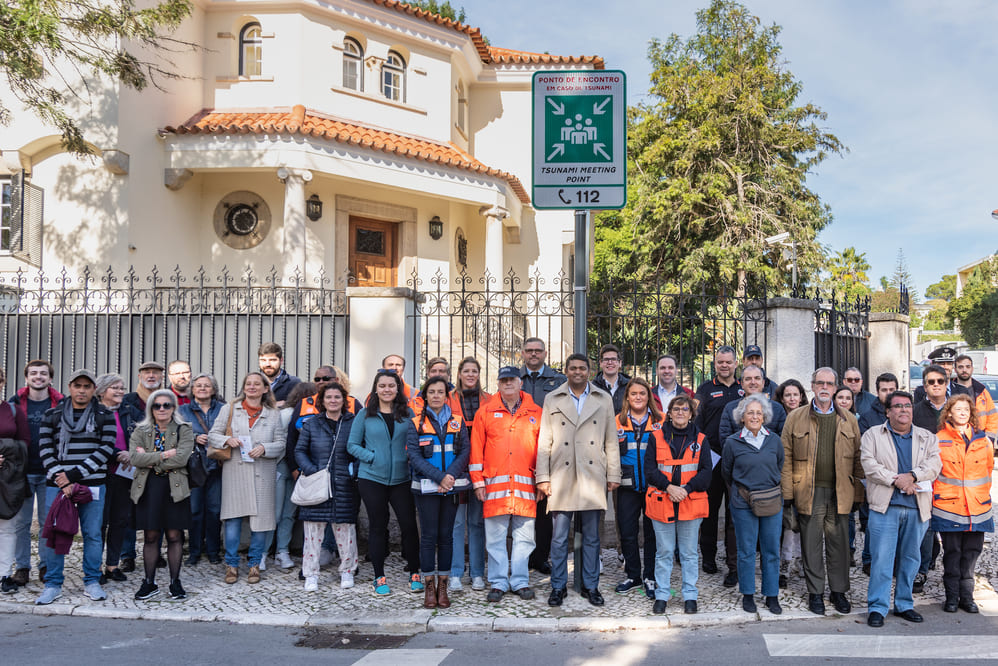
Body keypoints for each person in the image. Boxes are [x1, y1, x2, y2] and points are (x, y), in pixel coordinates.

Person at [537, 353, 621, 607]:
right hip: (561, 476)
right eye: (572, 368)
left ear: (588, 371)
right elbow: (544, 441)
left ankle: (590, 585)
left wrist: (613, 473)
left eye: (582, 368)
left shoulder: (603, 398)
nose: (577, 372)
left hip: (592, 475)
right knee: (560, 537)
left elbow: (611, 440)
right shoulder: (552, 399)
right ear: (565, 371)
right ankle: (558, 586)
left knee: (592, 538)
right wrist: (542, 477)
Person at [781, 367, 864, 616]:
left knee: (839, 546)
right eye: (820, 383)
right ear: (813, 386)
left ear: (836, 388)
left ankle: (838, 592)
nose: (825, 388)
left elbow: (858, 458)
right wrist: (787, 495)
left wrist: (858, 493)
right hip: (808, 490)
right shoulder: (795, 417)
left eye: (829, 383)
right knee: (811, 544)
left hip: (841, 492)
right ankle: (815, 592)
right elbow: (785, 457)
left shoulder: (849, 419)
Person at [35, 369, 117, 605]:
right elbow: (45, 449)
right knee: (55, 533)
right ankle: (52, 584)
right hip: (57, 485)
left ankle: (92, 580)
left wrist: (72, 476)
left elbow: (104, 451)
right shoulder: (52, 414)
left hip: (92, 485)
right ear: (69, 387)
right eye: (77, 385)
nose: (82, 390)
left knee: (92, 534)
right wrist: (62, 478)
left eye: (87, 386)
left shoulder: (104, 415)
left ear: (94, 390)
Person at [860, 390, 941, 627]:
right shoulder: (873, 435)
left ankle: (904, 604)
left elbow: (934, 464)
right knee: (882, 560)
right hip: (885, 508)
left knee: (910, 560)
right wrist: (896, 480)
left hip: (917, 509)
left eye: (907, 406)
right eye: (897, 406)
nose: (903, 410)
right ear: (888, 411)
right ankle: (877, 606)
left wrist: (913, 476)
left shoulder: (927, 437)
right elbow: (869, 464)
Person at [470, 366, 542, 604]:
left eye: (512, 379)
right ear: (498, 384)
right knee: (495, 538)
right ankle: (499, 582)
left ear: (521, 383)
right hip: (495, 488)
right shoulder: (485, 412)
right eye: (504, 380)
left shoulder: (537, 412)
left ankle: (520, 581)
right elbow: (476, 450)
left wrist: (542, 481)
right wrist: (478, 482)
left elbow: (544, 450)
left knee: (525, 538)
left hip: (526, 488)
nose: (508, 383)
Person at [347, 369, 422, 596]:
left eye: (391, 385)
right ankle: (379, 577)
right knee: (378, 527)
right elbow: (352, 445)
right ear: (376, 389)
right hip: (372, 478)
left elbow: (418, 441)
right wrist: (372, 457)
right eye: (382, 386)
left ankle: (415, 573)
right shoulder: (365, 415)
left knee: (409, 526)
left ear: (398, 388)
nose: (387, 389)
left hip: (402, 479)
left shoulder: (407, 413)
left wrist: (411, 457)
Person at [209, 372, 286, 585]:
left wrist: (264, 448)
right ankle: (231, 565)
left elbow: (281, 443)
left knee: (260, 523)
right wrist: (228, 440)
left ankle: (254, 564)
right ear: (243, 388)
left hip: (263, 473)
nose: (252, 387)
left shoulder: (272, 414)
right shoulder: (230, 409)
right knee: (233, 519)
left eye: (257, 384)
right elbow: (213, 434)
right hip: (236, 471)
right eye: (248, 384)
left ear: (265, 389)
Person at [644, 394, 711, 615]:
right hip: (663, 501)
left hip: (689, 503)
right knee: (663, 552)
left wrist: (686, 489)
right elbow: (650, 470)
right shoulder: (656, 437)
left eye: (685, 409)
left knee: (689, 553)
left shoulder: (701, 439)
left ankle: (690, 595)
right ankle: (662, 594)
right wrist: (669, 487)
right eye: (676, 409)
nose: (680, 412)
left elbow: (706, 473)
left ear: (691, 414)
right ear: (669, 413)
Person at [407, 376, 470, 608]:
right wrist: (439, 477)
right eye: (431, 392)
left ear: (446, 396)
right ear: (425, 396)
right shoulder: (415, 423)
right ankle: (429, 587)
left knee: (446, 537)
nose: (435, 395)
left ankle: (443, 585)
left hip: (451, 487)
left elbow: (465, 452)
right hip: (426, 489)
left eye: (440, 392)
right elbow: (413, 456)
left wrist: (450, 476)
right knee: (429, 537)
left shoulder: (457, 421)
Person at [721, 393, 784, 615]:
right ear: (742, 416)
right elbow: (727, 473)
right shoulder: (732, 442)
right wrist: (742, 492)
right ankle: (748, 594)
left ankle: (771, 595)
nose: (755, 416)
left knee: (771, 550)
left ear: (764, 415)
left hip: (771, 502)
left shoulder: (774, 440)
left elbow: (779, 466)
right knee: (746, 550)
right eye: (750, 412)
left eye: (758, 412)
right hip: (743, 503)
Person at [129, 389, 194, 600]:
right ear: (151, 409)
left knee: (175, 536)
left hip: (175, 487)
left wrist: (149, 458)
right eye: (157, 406)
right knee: (151, 536)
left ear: (174, 407)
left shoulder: (185, 429)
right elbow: (134, 459)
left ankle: (175, 582)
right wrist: (165, 454)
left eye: (167, 405)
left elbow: (182, 458)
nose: (162, 409)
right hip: (149, 488)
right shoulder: (140, 430)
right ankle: (149, 582)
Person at [932, 394, 993, 613]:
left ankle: (967, 598)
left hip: (977, 507)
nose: (962, 412)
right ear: (948, 412)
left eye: (966, 409)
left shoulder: (982, 439)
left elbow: (987, 471)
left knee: (971, 555)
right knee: (952, 553)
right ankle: (951, 598)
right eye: (958, 409)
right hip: (949, 508)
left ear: (971, 413)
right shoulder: (938, 439)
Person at [295, 382, 358, 592]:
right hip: (317, 483)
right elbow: (300, 451)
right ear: (322, 401)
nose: (333, 401)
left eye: (337, 397)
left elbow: (361, 447)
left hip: (344, 484)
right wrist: (312, 470)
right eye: (329, 397)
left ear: (344, 400)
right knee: (312, 533)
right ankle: (310, 573)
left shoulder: (353, 422)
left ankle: (347, 570)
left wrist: (353, 470)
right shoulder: (312, 423)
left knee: (345, 530)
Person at [11, 359, 63, 588]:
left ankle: (45, 565)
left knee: (47, 522)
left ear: (50, 378)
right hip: (22, 471)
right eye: (34, 373)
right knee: (21, 523)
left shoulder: (60, 404)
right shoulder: (15, 403)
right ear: (27, 377)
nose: (38, 377)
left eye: (43, 373)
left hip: (50, 473)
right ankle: (22, 567)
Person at [694, 345, 743, 585]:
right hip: (711, 458)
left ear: (736, 363)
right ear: (715, 364)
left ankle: (732, 560)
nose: (724, 366)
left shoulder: (744, 389)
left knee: (734, 513)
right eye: (720, 362)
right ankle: (709, 556)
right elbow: (697, 425)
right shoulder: (704, 390)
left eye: (728, 362)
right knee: (709, 511)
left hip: (738, 460)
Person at [519, 336, 565, 575]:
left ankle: (541, 557)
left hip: (550, 450)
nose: (533, 354)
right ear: (523, 353)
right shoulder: (514, 378)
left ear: (545, 354)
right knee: (522, 508)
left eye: (538, 351)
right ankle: (522, 556)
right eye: (529, 351)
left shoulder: (559, 380)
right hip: (519, 450)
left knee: (545, 508)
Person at [613, 377, 662, 598]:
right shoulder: (617, 421)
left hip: (654, 486)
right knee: (628, 532)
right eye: (634, 394)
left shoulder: (661, 420)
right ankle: (633, 575)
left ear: (648, 396)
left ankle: (650, 576)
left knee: (652, 534)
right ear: (627, 397)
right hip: (626, 486)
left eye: (642, 393)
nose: (638, 397)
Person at [264, 381, 315, 572]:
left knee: (289, 513)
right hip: (280, 467)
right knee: (275, 513)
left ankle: (282, 551)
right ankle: (262, 552)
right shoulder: (286, 415)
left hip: (299, 470)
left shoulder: (312, 416)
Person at [450, 356, 490, 592]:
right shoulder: (449, 398)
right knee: (456, 523)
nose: (471, 375)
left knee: (476, 522)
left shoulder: (490, 400)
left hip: (481, 467)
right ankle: (455, 572)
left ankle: (477, 573)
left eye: (474, 371)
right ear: (459, 373)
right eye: (466, 371)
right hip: (455, 466)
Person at [855, 372, 899, 577]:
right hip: (877, 478)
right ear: (877, 391)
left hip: (901, 477)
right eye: (884, 390)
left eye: (892, 389)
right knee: (875, 522)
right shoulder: (868, 417)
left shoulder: (905, 412)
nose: (888, 393)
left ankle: (893, 559)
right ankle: (869, 559)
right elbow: (866, 449)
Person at [178, 374, 224, 566]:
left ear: (214, 390)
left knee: (214, 511)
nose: (203, 388)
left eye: (207, 386)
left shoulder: (223, 409)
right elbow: (176, 432)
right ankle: (194, 551)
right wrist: (195, 436)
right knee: (195, 511)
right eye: (199, 386)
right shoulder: (183, 410)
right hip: (194, 467)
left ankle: (213, 550)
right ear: (192, 389)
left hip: (218, 466)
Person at [95, 373, 135, 585]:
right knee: (99, 523)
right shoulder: (94, 412)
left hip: (124, 473)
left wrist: (132, 453)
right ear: (102, 391)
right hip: (100, 473)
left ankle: (113, 565)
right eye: (115, 388)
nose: (120, 391)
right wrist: (116, 453)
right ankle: (96, 567)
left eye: (122, 387)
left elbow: (139, 435)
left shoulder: (127, 412)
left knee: (120, 520)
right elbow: (94, 441)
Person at [912, 364, 948, 592]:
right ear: (924, 386)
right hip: (924, 474)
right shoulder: (916, 411)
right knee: (925, 526)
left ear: (946, 383)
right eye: (930, 382)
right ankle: (921, 571)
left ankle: (953, 574)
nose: (935, 385)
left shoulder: (955, 409)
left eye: (939, 381)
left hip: (950, 476)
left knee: (949, 528)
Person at [0, 367, 30, 593]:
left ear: (2, 383)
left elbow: (25, 443)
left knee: (7, 528)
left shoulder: (12, 409)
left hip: (8, 478)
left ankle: (3, 575)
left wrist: (7, 452)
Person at [718, 365, 787, 443]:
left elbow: (783, 439)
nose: (753, 382)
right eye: (748, 379)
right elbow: (725, 440)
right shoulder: (730, 408)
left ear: (763, 383)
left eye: (757, 378)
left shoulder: (777, 408)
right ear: (742, 384)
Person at [953, 354, 998, 441]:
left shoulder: (982, 391)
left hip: (979, 438)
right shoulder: (950, 390)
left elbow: (992, 417)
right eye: (960, 367)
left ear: (972, 368)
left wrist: (989, 438)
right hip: (956, 439)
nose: (964, 370)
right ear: (955, 370)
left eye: (968, 366)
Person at [258, 342, 301, 408]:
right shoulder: (252, 383)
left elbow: (300, 408)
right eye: (263, 360)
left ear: (281, 360)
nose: (267, 364)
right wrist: (274, 405)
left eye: (272, 360)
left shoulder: (294, 383)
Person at [592, 344, 631, 414]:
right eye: (606, 359)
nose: (610, 362)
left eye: (613, 359)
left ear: (620, 363)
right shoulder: (592, 387)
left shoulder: (630, 386)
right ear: (600, 363)